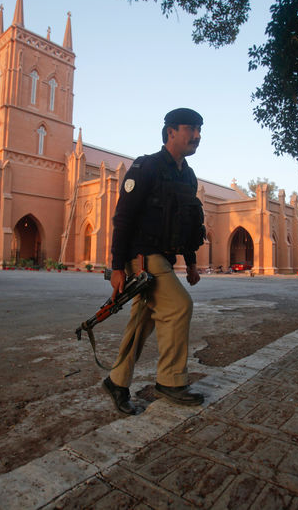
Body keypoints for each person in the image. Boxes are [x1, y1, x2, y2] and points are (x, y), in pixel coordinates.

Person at [102, 108, 207, 415]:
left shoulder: (187, 175)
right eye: (191, 129)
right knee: (178, 306)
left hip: (163, 257)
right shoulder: (146, 166)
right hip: (142, 256)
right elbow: (123, 218)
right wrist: (118, 267)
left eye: (200, 130)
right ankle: (170, 381)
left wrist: (191, 263)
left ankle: (116, 381)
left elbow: (189, 223)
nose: (197, 136)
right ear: (171, 132)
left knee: (143, 320)